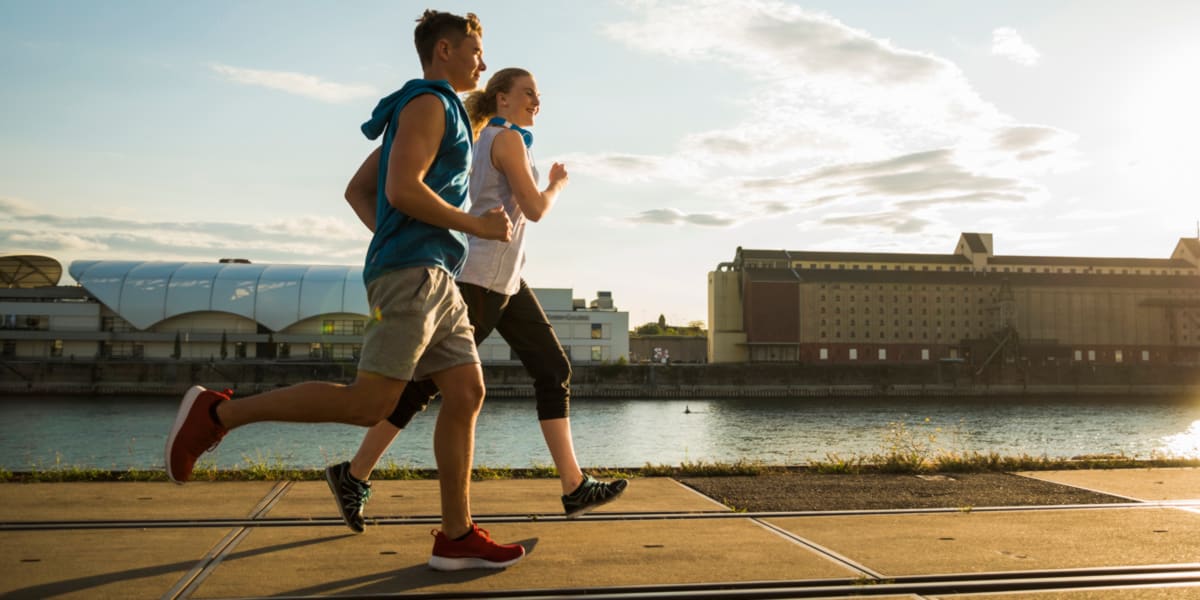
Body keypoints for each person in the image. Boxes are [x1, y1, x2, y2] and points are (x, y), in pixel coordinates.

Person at [165, 9, 526, 571]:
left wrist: (402, 237)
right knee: (368, 405)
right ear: (445, 51)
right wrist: (470, 224)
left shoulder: (430, 109)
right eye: (475, 50)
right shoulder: (430, 105)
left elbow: (361, 190)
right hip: (412, 277)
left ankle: (455, 536)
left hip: (434, 275)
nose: (483, 61)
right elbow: (401, 189)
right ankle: (216, 416)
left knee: (466, 392)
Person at [325, 67, 628, 535]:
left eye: (539, 95)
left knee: (552, 369)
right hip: (482, 280)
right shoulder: (508, 140)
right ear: (501, 98)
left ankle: (573, 485)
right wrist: (557, 183)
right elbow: (535, 210)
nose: (536, 101)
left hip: (506, 280)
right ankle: (355, 474)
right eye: (528, 93)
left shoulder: (479, 136)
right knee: (426, 385)